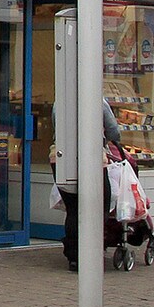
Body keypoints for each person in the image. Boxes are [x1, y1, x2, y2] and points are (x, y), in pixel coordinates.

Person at [58, 96, 125, 272]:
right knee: (100, 204)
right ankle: (92, 254)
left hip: (63, 158)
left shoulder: (61, 101)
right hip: (93, 159)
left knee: (73, 209)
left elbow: (56, 128)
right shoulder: (97, 100)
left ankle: (73, 256)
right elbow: (113, 131)